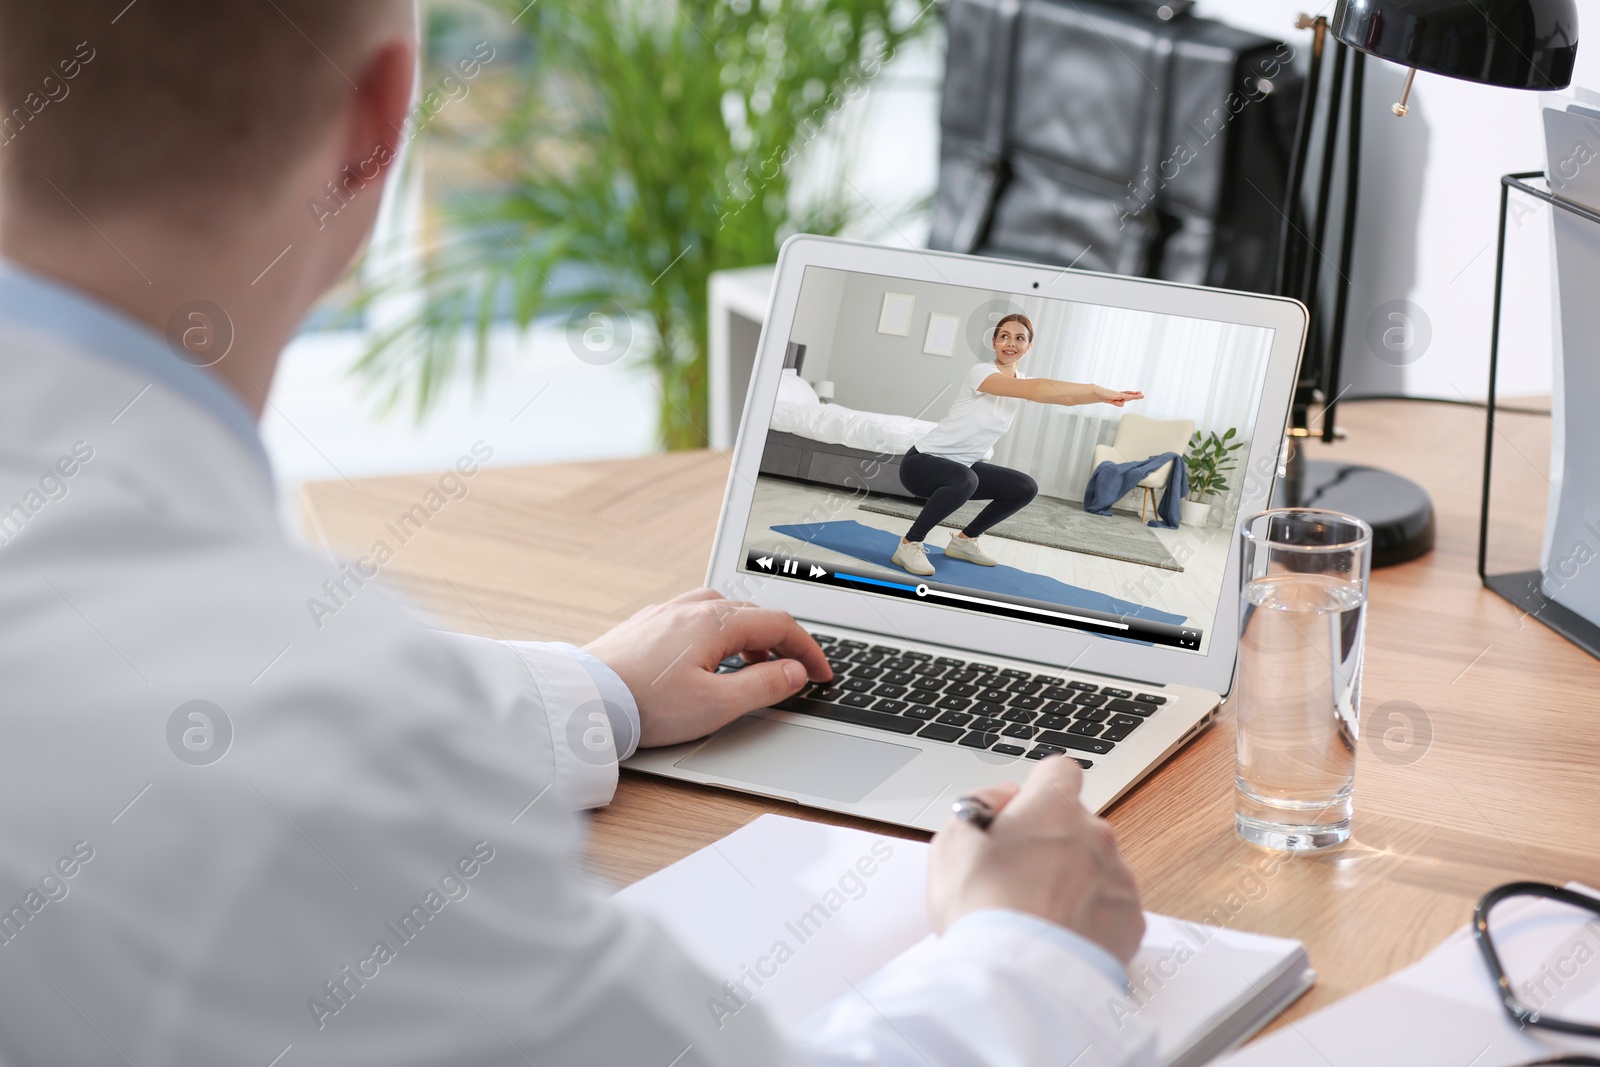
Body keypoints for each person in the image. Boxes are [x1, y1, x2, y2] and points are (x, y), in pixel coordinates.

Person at [0, 4, 1155, 1065]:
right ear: (378, 126)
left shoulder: (249, 694)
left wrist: (588, 693)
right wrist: (1030, 955)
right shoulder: (313, 747)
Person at [892, 313, 1144, 577]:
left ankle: (964, 542)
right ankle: (909, 545)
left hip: (960, 468)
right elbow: (1036, 389)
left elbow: (1063, 398)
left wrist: (1103, 397)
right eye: (1004, 336)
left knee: (1024, 487)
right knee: (966, 479)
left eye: (1019, 338)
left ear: (1029, 346)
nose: (1010, 343)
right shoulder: (981, 372)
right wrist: (1095, 388)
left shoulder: (1020, 381)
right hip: (920, 465)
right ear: (994, 342)